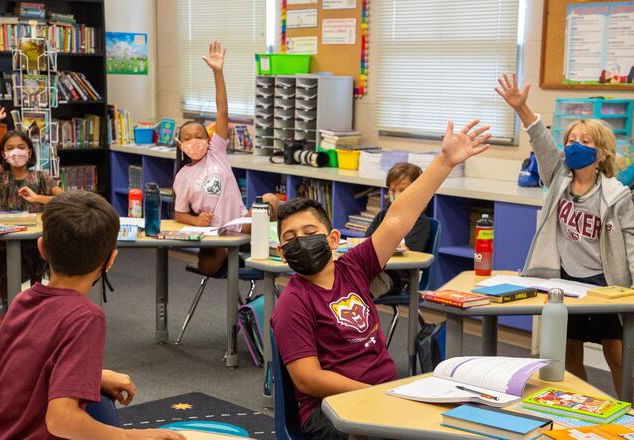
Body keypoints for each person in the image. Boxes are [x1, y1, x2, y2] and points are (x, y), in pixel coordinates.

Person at [271, 120, 491, 440]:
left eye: (310, 233)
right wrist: (376, 395)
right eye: (290, 238)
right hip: (332, 410)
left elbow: (399, 217)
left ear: (333, 239)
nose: (301, 241)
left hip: (380, 395)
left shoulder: (354, 267)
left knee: (458, 424)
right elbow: (308, 380)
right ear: (281, 251)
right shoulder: (294, 301)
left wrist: (443, 162)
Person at [0, 191, 184, 440]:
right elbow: (62, 420)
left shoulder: (23, 300)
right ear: (111, 259)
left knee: (95, 397)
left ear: (41, 248)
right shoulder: (85, 317)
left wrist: (94, 376)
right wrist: (136, 437)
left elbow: (26, 369)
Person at [495, 73, 634, 395]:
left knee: (615, 353)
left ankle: (631, 407)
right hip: (567, 283)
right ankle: (582, 404)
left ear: (602, 154)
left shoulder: (615, 194)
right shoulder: (558, 178)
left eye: (585, 142)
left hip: (605, 284)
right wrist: (522, 108)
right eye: (570, 140)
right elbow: (541, 140)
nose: (574, 146)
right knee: (569, 352)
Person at [172, 40, 278, 275]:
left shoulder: (216, 153)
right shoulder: (182, 176)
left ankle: (263, 248)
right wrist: (194, 221)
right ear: (180, 145)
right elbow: (179, 213)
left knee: (271, 199)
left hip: (240, 223)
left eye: (199, 136)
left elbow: (222, 111)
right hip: (214, 232)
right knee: (208, 266)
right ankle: (233, 255)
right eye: (188, 138)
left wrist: (218, 72)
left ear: (208, 139)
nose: (194, 141)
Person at [0, 106, 63, 323]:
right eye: (10, 148)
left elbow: (64, 199)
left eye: (21, 147)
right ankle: (5, 298)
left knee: (40, 259)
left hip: (34, 240)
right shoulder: (0, 177)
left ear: (29, 152)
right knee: (2, 259)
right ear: (4, 154)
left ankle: (35, 300)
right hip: (6, 240)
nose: (16, 152)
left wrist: (38, 198)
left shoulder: (41, 177)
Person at [364, 162, 431, 298]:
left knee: (357, 289)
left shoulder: (420, 222)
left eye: (402, 190)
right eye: (392, 190)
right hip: (372, 269)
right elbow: (365, 243)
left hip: (395, 276)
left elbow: (409, 255)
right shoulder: (383, 216)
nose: (396, 195)